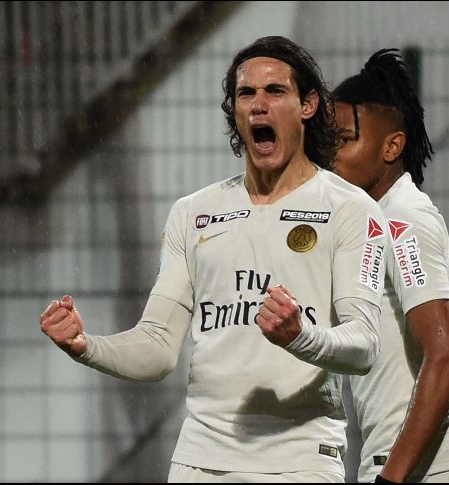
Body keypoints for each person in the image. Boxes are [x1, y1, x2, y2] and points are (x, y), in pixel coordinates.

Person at [40, 36, 388, 482]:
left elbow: (363, 346)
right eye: (247, 93)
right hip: (200, 462)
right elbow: (157, 346)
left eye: (275, 91)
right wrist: (85, 347)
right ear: (235, 110)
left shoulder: (351, 210)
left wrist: (300, 335)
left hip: (300, 462)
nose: (259, 104)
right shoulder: (193, 214)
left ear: (308, 105)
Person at [331, 48, 449, 483]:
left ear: (392, 146)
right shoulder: (370, 217)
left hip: (424, 468)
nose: (332, 155)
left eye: (345, 140)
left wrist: (390, 478)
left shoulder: (403, 219)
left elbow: (446, 356)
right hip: (397, 463)